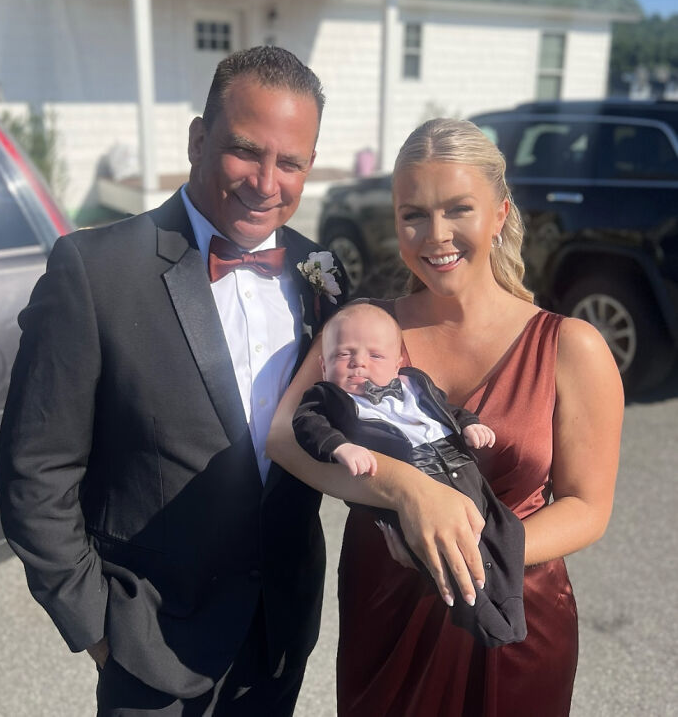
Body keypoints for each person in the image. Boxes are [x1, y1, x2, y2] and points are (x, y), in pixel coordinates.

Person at [0, 46, 349, 716]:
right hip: (146, 648)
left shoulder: (321, 272)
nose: (267, 182)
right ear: (197, 138)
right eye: (246, 150)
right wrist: (98, 629)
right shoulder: (93, 272)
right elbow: (34, 472)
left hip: (276, 640)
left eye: (292, 162)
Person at [266, 118, 622, 716]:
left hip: (517, 614)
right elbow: (284, 435)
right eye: (413, 215)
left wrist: (473, 554)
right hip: (387, 607)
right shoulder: (362, 330)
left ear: (500, 213)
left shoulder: (569, 346)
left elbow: (588, 508)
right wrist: (403, 490)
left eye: (459, 209)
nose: (436, 236)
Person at [293, 302, 527, 648]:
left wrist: (469, 425)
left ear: (398, 362)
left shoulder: (415, 384)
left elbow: (448, 409)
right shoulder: (328, 399)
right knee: (440, 552)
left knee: (507, 529)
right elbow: (306, 423)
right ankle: (478, 614)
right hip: (416, 472)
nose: (359, 363)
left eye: (375, 356)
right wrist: (340, 448)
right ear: (324, 365)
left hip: (459, 464)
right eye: (345, 355)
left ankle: (510, 602)